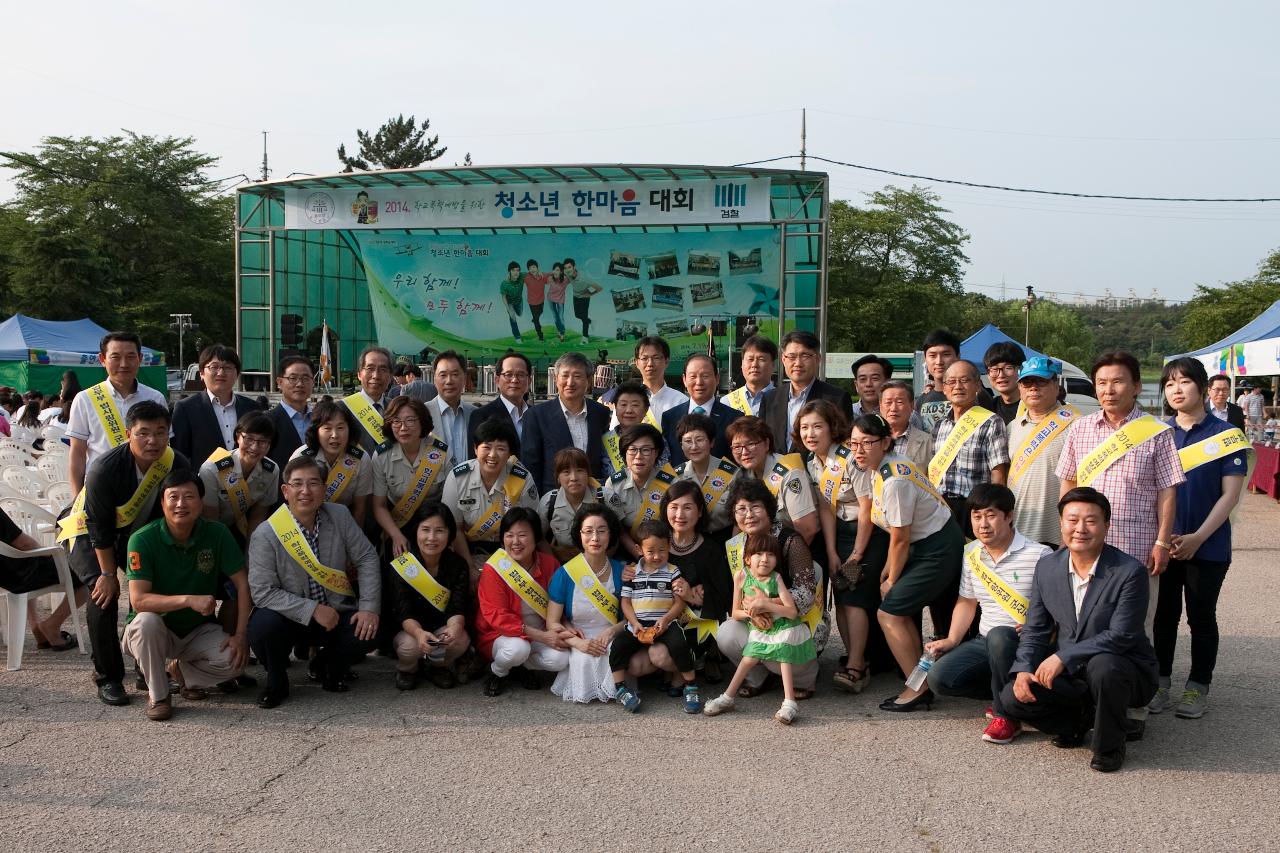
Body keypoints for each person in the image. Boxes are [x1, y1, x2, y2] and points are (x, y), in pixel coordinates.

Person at [996, 488, 1158, 773]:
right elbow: (1035, 628)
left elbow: (1122, 635)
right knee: (1011, 698)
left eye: (1091, 521)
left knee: (1104, 665)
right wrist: (1023, 668)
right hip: (1073, 676)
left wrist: (1062, 657)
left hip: (1124, 670)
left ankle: (1109, 745)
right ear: (1061, 524)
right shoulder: (1047, 567)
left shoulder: (1129, 571)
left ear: (1107, 526)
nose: (1080, 529)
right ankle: (1077, 723)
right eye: (1072, 520)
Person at [61, 400, 191, 705]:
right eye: (143, 433)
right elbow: (98, 527)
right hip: (87, 532)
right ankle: (107, 677)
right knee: (102, 595)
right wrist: (107, 573)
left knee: (151, 587)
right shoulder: (104, 469)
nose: (152, 441)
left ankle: (147, 669)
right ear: (128, 434)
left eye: (160, 432)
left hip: (134, 534)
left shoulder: (177, 463)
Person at [1056, 350, 1184, 633]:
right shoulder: (1080, 429)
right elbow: (1068, 482)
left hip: (1136, 544)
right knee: (1082, 620)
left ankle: (1135, 678)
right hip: (1084, 542)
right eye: (1101, 383)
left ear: (1136, 386)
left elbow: (1167, 492)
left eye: (1118, 382)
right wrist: (1065, 532)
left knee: (1135, 625)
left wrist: (1162, 543)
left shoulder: (1157, 432)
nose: (1108, 390)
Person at [1148, 357, 1247, 719]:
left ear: (1203, 388)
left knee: (1201, 618)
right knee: (1163, 616)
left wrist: (1198, 538)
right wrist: (1162, 537)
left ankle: (1197, 687)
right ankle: (1159, 684)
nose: (1176, 389)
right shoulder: (1158, 433)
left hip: (1209, 547)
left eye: (1184, 382)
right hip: (1164, 543)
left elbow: (1229, 496)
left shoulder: (1224, 437)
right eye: (1170, 383)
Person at [848, 414, 963, 713]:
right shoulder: (879, 468)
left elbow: (900, 538)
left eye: (867, 443)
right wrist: (888, 567)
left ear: (886, 442)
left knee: (889, 612)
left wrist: (891, 579)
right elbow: (897, 534)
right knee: (898, 611)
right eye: (853, 443)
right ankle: (918, 681)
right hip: (921, 544)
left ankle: (918, 687)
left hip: (936, 548)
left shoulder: (894, 480)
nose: (858, 450)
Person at [247, 457, 381, 708]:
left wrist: (369, 608)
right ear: (285, 491)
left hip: (334, 612)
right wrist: (312, 610)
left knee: (369, 629)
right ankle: (276, 682)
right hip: (289, 618)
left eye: (313, 484)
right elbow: (263, 593)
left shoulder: (339, 515)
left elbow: (366, 557)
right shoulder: (267, 532)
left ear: (324, 489)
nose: (305, 491)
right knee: (262, 626)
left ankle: (327, 665)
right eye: (297, 484)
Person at [924, 484, 1049, 741]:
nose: (983, 524)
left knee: (1001, 637)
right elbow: (967, 601)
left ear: (1009, 515)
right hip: (985, 642)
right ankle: (1006, 694)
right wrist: (952, 639)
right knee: (939, 678)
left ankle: (1008, 715)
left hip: (1026, 643)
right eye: (976, 516)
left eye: (990, 515)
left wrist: (1039, 627)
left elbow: (1057, 606)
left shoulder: (1039, 554)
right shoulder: (971, 553)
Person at [122, 470, 249, 721]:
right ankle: (158, 695)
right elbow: (139, 601)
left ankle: (181, 672)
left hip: (196, 630)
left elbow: (243, 585)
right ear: (162, 503)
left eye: (189, 496)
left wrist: (240, 636)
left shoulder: (218, 533)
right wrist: (188, 599)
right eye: (173, 497)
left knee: (236, 662)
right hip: (154, 630)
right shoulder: (142, 539)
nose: (181, 504)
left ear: (201, 503)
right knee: (147, 621)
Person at [796, 398, 879, 691]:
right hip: (839, 532)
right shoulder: (811, 462)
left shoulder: (849, 457)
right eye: (805, 427)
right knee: (842, 597)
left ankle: (858, 664)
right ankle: (853, 656)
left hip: (867, 530)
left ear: (832, 428)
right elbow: (826, 509)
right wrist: (831, 551)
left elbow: (868, 506)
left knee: (854, 596)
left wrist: (856, 553)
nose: (810, 433)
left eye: (817, 426)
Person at [718, 478, 821, 699]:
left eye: (756, 507)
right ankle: (757, 677)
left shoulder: (790, 540)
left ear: (768, 509)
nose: (749, 514)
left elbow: (805, 596)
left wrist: (766, 603)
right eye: (741, 509)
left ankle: (805, 678)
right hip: (758, 621)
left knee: (779, 657)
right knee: (727, 633)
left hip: (793, 621)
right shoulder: (735, 545)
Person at [703, 532, 816, 724]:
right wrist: (752, 614)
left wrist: (765, 604)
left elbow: (791, 612)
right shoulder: (741, 576)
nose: (765, 559)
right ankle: (727, 697)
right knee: (748, 659)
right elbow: (735, 612)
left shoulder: (776, 578)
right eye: (758, 554)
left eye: (771, 555)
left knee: (784, 656)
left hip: (783, 626)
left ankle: (789, 703)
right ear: (747, 558)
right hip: (760, 628)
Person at [607, 521, 703, 713]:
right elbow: (625, 602)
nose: (657, 556)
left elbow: (679, 602)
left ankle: (690, 686)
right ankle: (621, 689)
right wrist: (634, 623)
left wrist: (666, 619)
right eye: (651, 551)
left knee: (678, 645)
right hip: (638, 624)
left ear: (668, 546)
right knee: (617, 647)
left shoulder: (672, 571)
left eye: (662, 550)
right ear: (639, 549)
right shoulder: (632, 573)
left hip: (665, 622)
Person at [474, 508, 570, 696]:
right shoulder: (494, 569)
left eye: (522, 535)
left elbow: (561, 603)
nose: (515, 542)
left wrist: (563, 627)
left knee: (561, 659)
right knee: (517, 649)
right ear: (502, 539)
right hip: (501, 636)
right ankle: (498, 672)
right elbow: (497, 617)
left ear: (536, 538)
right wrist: (543, 637)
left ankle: (521, 667)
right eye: (509, 535)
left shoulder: (550, 564)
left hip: (540, 632)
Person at [66, 331, 169, 492]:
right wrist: (76, 499)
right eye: (115, 357)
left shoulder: (156, 398)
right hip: (101, 488)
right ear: (103, 359)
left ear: (140, 359)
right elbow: (77, 453)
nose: (124, 364)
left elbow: (165, 445)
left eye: (130, 357)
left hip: (148, 489)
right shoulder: (85, 399)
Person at [546, 504, 627, 703]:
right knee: (583, 659)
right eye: (588, 531)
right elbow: (552, 622)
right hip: (578, 636)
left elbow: (630, 619)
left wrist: (611, 632)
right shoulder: (565, 574)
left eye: (601, 531)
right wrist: (577, 643)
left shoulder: (622, 572)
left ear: (611, 534)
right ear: (579, 535)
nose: (595, 538)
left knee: (613, 654)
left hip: (612, 636)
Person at [388, 503, 472, 691]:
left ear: (450, 534)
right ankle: (407, 670)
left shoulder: (458, 565)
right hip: (410, 631)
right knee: (410, 647)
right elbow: (403, 611)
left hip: (440, 627)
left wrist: (455, 626)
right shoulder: (403, 566)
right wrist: (419, 633)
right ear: (415, 531)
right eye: (425, 530)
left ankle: (437, 667)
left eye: (439, 531)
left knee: (461, 639)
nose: (432, 538)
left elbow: (457, 606)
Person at [441, 418, 540, 574]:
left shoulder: (522, 479)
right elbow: (455, 529)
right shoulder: (458, 477)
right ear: (475, 448)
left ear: (509, 453)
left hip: (513, 559)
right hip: (467, 555)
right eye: (486, 447)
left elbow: (531, 528)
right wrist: (469, 569)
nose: (492, 455)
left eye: (501, 448)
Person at [929, 359, 1009, 538]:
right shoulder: (939, 426)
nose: (958, 386)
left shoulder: (991, 422)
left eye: (964, 380)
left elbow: (998, 474)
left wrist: (993, 513)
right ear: (944, 387)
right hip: (939, 508)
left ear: (977, 385)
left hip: (974, 509)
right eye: (951, 381)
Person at [662, 479, 733, 677]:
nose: (679, 515)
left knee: (667, 655)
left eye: (687, 508)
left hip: (699, 624)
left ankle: (709, 654)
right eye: (674, 507)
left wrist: (693, 598)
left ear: (700, 511)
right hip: (662, 619)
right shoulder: (657, 545)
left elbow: (724, 596)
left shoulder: (710, 549)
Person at [1007, 357, 1078, 546]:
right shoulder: (1012, 427)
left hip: (1057, 534)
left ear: (1056, 385)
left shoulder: (1076, 425)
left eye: (1041, 382)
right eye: (1027, 383)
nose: (1033, 388)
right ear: (1020, 388)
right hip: (1016, 532)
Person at [371, 396, 451, 556]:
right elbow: (379, 506)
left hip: (434, 526)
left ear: (422, 422)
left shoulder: (439, 452)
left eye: (410, 421)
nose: (403, 428)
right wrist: (395, 535)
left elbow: (450, 503)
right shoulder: (382, 455)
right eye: (396, 421)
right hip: (398, 525)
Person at [522, 352, 611, 493]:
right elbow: (531, 465)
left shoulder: (601, 413)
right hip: (554, 500)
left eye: (577, 376)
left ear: (588, 381)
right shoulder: (536, 416)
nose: (570, 382)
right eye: (565, 376)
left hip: (593, 498)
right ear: (556, 379)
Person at [0, 505, 85, 652]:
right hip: (17, 576)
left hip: (6, 577)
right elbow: (24, 544)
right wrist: (51, 554)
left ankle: (36, 625)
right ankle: (52, 625)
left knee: (29, 562)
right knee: (86, 575)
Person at [726, 416, 819, 545]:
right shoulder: (745, 474)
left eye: (751, 444)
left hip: (797, 550)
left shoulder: (790, 474)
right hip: (765, 552)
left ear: (767, 444)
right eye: (737, 447)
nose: (744, 452)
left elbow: (807, 529)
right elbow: (740, 524)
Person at [762, 330, 853, 452]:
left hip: (818, 469)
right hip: (775, 469)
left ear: (818, 359)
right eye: (792, 357)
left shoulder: (837, 398)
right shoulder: (769, 398)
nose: (798, 363)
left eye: (805, 356)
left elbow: (843, 444)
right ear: (783, 359)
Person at [199, 411, 280, 547]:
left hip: (236, 530)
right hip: (206, 532)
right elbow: (210, 521)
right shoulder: (212, 470)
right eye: (249, 439)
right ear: (238, 437)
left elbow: (258, 517)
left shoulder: (271, 471)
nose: (254, 447)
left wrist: (251, 556)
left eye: (262, 442)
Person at [170, 344, 259, 465]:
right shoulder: (186, 408)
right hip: (202, 482)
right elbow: (180, 454)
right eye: (214, 367)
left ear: (237, 374)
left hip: (246, 481)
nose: (221, 373)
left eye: (228, 367)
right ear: (201, 373)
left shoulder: (252, 408)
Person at [292, 400, 373, 528]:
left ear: (349, 430)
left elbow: (360, 508)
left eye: (340, 428)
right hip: (304, 524)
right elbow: (293, 504)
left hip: (344, 526)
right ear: (316, 430)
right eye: (327, 428)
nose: (335, 435)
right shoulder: (302, 456)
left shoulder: (361, 459)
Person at [601, 423, 677, 558]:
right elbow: (618, 529)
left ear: (656, 453)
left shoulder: (671, 483)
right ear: (624, 453)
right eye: (632, 449)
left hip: (666, 552)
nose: (638, 456)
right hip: (627, 553)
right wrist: (639, 555)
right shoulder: (613, 484)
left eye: (646, 450)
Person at [662, 353, 741, 464]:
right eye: (693, 376)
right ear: (684, 380)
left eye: (705, 376)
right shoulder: (669, 417)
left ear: (717, 378)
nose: (699, 382)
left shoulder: (734, 418)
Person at [672, 413, 740, 536]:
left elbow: (740, 515)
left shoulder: (731, 472)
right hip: (688, 538)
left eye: (699, 440)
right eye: (687, 441)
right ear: (681, 446)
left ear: (712, 442)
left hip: (725, 537)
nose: (694, 446)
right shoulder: (676, 475)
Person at [468, 351, 531, 453]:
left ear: (529, 381)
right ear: (497, 380)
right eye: (508, 374)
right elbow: (476, 458)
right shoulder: (482, 415)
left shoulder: (538, 414)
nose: (514, 380)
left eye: (521, 374)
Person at [540, 448, 595, 564]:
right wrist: (553, 563)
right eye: (566, 472)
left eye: (580, 470)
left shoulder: (603, 498)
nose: (574, 478)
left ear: (588, 474)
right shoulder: (549, 502)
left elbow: (616, 537)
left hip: (598, 563)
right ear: (558, 478)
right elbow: (538, 538)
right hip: (561, 563)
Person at [601, 381, 667, 479]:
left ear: (646, 409)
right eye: (623, 405)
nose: (629, 410)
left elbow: (664, 473)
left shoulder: (656, 439)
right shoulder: (604, 441)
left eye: (635, 405)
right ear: (615, 408)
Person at [341, 345, 397, 455]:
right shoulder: (342, 408)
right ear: (359, 374)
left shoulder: (396, 408)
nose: (376, 376)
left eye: (383, 369)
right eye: (370, 368)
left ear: (390, 377)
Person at [425, 350, 476, 467]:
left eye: (455, 374)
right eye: (443, 375)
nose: (449, 381)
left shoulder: (475, 414)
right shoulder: (422, 413)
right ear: (434, 379)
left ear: (464, 378)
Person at [266, 355, 315, 471]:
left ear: (313, 382)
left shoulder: (321, 420)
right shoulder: (268, 421)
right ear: (279, 382)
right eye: (293, 378)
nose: (300, 384)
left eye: (306, 378)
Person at [626, 336, 688, 426]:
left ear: (666, 361)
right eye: (644, 358)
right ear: (637, 363)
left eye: (656, 358)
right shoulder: (626, 400)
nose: (650, 363)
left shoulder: (681, 401)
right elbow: (615, 435)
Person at [914, 329, 963, 431]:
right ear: (925, 358)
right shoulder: (921, 400)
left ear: (958, 356)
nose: (939, 361)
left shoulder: (973, 396)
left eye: (946, 354)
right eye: (932, 355)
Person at [880, 380, 933, 470]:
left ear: (912, 405)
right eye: (888, 402)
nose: (893, 408)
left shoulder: (928, 441)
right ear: (880, 406)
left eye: (899, 402)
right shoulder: (870, 439)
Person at [721, 335, 777, 416]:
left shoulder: (783, 400)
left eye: (761, 359)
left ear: (773, 365)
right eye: (750, 359)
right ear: (742, 364)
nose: (754, 365)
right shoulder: (727, 402)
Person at [983, 341, 1027, 424]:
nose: (1001, 375)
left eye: (1008, 368)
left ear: (1021, 370)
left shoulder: (1034, 406)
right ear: (988, 374)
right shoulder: (987, 409)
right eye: (994, 369)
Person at [565, 257, 602, 343]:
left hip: (584, 298)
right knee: (577, 315)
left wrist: (589, 294)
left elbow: (599, 288)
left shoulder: (584, 278)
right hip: (576, 297)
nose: (567, 270)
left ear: (574, 267)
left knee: (584, 317)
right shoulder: (567, 273)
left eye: (569, 267)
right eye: (565, 268)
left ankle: (585, 337)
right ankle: (591, 321)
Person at [849, 354, 895, 419]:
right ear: (856, 385)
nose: (868, 384)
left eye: (875, 378)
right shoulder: (846, 413)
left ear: (888, 383)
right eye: (863, 379)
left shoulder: (901, 413)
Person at [499, 261, 526, 342]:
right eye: (513, 270)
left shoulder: (522, 276)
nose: (516, 272)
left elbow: (533, 274)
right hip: (510, 303)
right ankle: (517, 337)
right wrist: (508, 309)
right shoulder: (505, 283)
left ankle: (517, 311)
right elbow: (503, 297)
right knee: (512, 318)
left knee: (520, 314)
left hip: (519, 301)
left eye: (517, 270)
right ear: (509, 271)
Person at [523, 259, 549, 342]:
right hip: (532, 303)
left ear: (537, 268)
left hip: (541, 301)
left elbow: (553, 273)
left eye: (534, 267)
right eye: (530, 268)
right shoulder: (526, 277)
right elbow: (516, 275)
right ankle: (540, 335)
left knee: (540, 313)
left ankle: (535, 319)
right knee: (536, 320)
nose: (532, 269)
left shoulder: (543, 276)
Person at [546, 260, 569, 342]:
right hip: (550, 299)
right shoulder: (550, 278)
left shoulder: (566, 279)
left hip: (560, 300)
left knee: (561, 317)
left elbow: (573, 275)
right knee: (555, 317)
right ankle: (559, 331)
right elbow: (541, 277)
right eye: (554, 269)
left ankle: (562, 334)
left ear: (561, 271)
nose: (555, 272)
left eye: (557, 270)